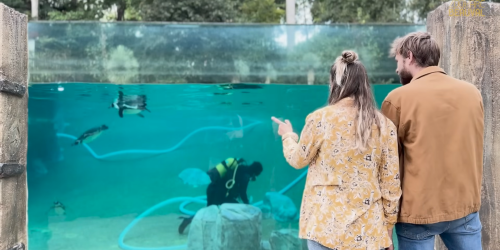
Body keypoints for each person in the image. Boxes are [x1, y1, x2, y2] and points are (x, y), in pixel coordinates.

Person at [272, 50, 402, 250]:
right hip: (368, 230)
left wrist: (288, 136)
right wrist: (387, 230)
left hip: (325, 227)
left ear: (334, 83)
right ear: (364, 84)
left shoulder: (320, 119)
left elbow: (298, 159)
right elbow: (391, 184)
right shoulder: (383, 125)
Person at [381, 31, 484, 250]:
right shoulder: (472, 93)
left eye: (398, 61)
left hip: (417, 213)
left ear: (409, 57)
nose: (397, 69)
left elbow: (387, 165)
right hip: (465, 208)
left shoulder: (398, 99)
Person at [178, 157, 263, 234]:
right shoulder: (246, 176)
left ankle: (190, 220)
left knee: (210, 210)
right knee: (234, 208)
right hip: (218, 192)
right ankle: (190, 220)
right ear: (256, 172)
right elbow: (242, 193)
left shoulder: (240, 168)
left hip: (213, 189)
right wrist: (248, 205)